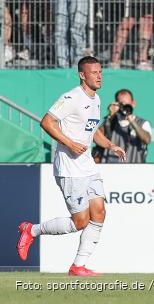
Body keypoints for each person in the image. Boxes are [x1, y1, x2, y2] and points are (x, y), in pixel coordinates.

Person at [16, 56, 126, 276]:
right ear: (82, 75)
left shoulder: (96, 99)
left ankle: (78, 266)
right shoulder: (72, 97)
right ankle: (31, 230)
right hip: (69, 169)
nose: (99, 76)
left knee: (100, 212)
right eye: (94, 72)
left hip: (88, 166)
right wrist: (69, 143)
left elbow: (92, 131)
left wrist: (111, 145)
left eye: (101, 72)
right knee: (80, 222)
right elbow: (47, 121)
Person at [94, 89, 152, 163]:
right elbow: (97, 137)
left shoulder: (142, 123)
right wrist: (110, 117)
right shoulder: (111, 121)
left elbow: (147, 139)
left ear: (133, 104)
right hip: (111, 167)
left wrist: (132, 121)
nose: (124, 107)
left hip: (135, 168)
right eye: (121, 105)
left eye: (127, 105)